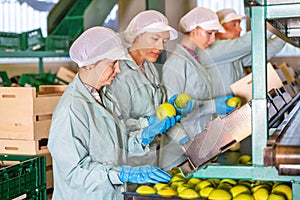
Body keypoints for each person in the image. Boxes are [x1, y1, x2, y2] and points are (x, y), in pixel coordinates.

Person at [47, 26, 172, 199]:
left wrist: (143, 136)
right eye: (113, 63)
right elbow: (74, 172)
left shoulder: (106, 97)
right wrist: (120, 174)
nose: (119, 69)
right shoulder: (72, 109)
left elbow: (117, 143)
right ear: (90, 64)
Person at [105, 10, 193, 170]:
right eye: (155, 38)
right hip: (126, 164)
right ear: (136, 36)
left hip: (149, 160)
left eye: (164, 41)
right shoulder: (118, 72)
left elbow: (161, 115)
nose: (160, 47)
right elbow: (115, 124)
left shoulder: (150, 67)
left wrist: (186, 142)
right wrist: (147, 123)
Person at [162, 7, 234, 138]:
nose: (213, 39)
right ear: (194, 29)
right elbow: (173, 111)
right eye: (209, 33)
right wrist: (212, 106)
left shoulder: (195, 58)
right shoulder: (176, 63)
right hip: (183, 144)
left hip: (198, 137)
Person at [198, 8, 286, 97]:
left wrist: (286, 33)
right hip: (219, 110)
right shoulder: (212, 50)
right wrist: (273, 24)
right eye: (234, 25)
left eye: (239, 24)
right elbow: (242, 44)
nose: (239, 29)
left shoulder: (232, 53)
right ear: (218, 29)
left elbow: (261, 53)